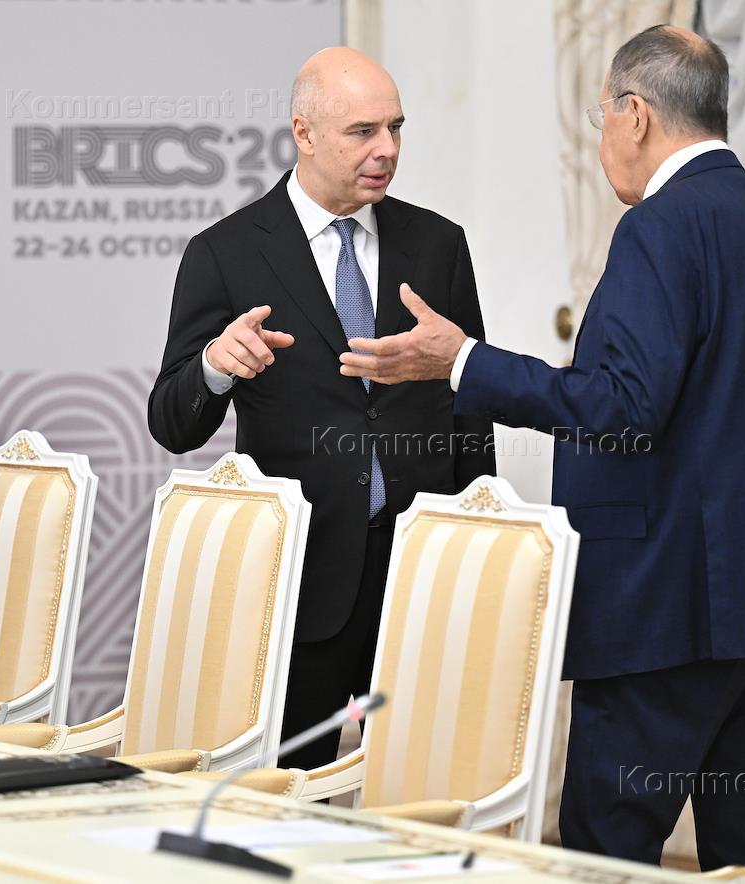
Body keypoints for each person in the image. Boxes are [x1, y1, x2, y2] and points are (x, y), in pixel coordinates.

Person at [337, 26, 745, 870]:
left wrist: (465, 361)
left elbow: (623, 405)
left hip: (663, 613)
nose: (600, 145)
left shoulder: (658, 230)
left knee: (605, 852)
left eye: (600, 121)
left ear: (635, 115)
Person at [148, 47, 495, 770]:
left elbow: (470, 408)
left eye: (395, 128)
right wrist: (215, 366)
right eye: (363, 131)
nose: (387, 150)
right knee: (287, 796)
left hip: (421, 578)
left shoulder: (439, 244)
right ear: (303, 133)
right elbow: (172, 421)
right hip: (297, 587)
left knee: (420, 791)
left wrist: (473, 544)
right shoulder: (226, 253)